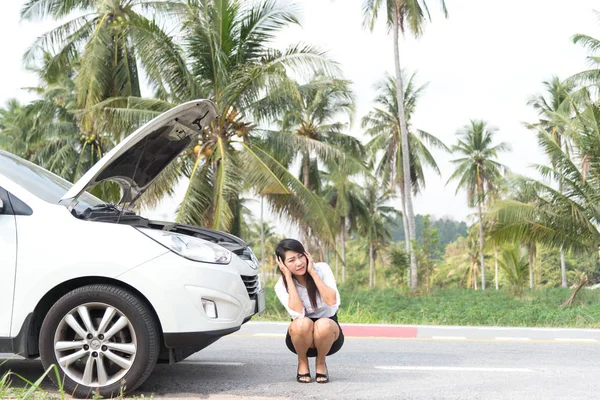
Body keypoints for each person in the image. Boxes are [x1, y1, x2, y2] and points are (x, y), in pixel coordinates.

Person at [274, 238, 344, 384]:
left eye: (300, 256)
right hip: (300, 339)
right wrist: (288, 277)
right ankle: (302, 362)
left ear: (306, 255)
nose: (299, 263)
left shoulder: (322, 269)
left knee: (323, 323)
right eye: (291, 260)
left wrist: (313, 273)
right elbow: (298, 313)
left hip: (328, 337)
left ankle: (320, 362)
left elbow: (332, 301)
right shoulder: (281, 286)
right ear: (283, 265)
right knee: (302, 323)